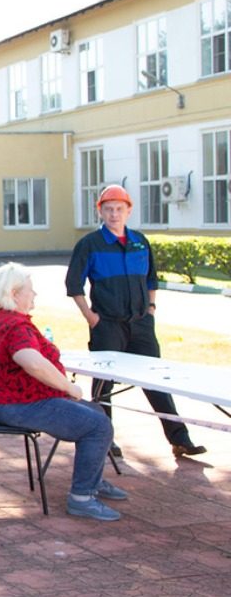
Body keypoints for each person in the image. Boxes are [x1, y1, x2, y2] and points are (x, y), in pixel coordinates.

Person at [65, 183, 206, 458]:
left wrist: (151, 309)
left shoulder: (140, 241)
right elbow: (73, 285)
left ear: (128, 211)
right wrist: (91, 318)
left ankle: (180, 439)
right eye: (108, 209)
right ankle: (104, 440)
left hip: (141, 324)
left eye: (119, 209)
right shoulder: (90, 244)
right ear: (101, 212)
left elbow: (151, 279)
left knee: (157, 381)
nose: (114, 214)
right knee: (104, 385)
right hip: (107, 325)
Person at [0, 262, 127, 521]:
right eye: (31, 290)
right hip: (17, 404)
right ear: (15, 294)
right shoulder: (16, 326)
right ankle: (82, 497)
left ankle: (92, 479)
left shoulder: (2, 317)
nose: (34, 295)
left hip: (13, 399)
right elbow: (32, 362)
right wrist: (68, 386)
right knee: (97, 426)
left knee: (95, 412)